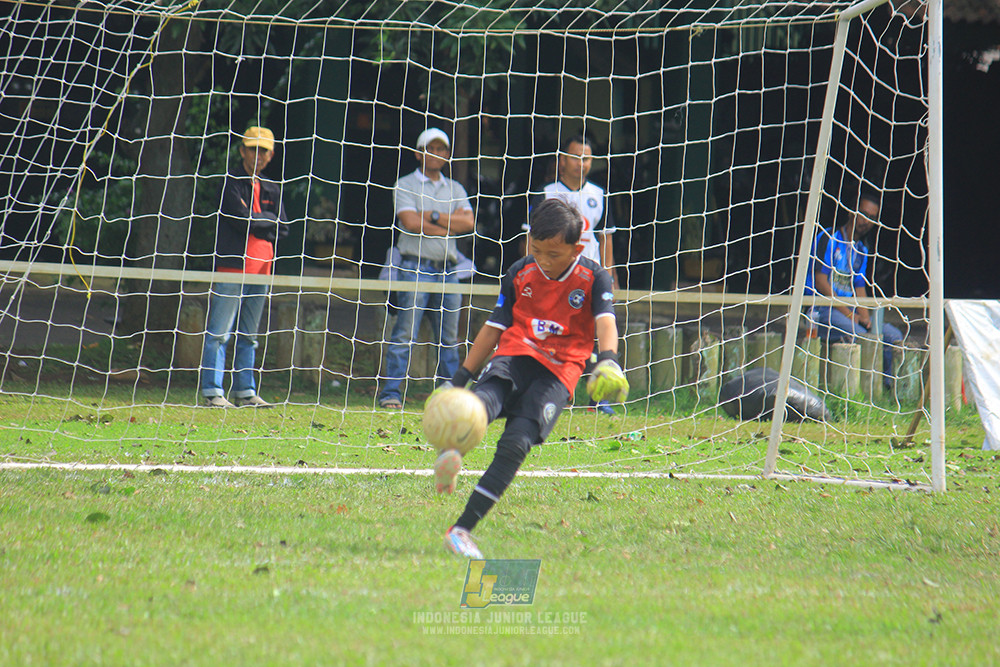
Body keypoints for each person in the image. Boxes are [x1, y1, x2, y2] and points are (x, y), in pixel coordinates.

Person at [434, 198, 629, 558]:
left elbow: (606, 322)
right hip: (515, 355)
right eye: (536, 250)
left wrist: (608, 362)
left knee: (516, 444)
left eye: (553, 254)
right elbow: (493, 328)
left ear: (576, 248)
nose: (542, 260)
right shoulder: (520, 271)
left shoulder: (594, 277)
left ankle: (461, 530)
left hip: (559, 372)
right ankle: (453, 451)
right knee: (480, 404)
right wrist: (459, 379)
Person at [377, 128, 476, 410]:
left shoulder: (455, 188)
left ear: (447, 154)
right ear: (418, 153)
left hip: (449, 270)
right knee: (404, 334)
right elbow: (410, 222)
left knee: (448, 338)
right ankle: (391, 393)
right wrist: (448, 224)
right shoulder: (405, 184)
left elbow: (468, 223)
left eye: (441, 149)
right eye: (430, 149)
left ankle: (449, 397)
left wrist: (430, 216)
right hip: (414, 267)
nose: (436, 154)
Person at [524, 135, 620, 414]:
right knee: (553, 333)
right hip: (553, 277)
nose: (581, 163)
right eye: (575, 157)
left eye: (586, 158)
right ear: (562, 160)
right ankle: (556, 392)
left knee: (595, 333)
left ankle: (599, 398)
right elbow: (530, 238)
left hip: (590, 277)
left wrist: (610, 276)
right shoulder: (546, 193)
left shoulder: (599, 195)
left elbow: (606, 238)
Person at [200, 126, 287, 408]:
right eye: (252, 149)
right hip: (233, 268)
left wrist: (256, 219)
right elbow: (238, 219)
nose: (257, 155)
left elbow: (283, 227)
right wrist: (266, 219)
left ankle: (245, 391)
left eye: (263, 151)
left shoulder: (272, 187)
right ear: (242, 151)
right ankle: (213, 391)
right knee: (219, 333)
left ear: (271, 155)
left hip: (262, 270)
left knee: (249, 336)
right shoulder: (230, 183)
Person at [805, 191, 903, 386]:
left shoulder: (862, 250)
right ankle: (864, 387)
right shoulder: (828, 238)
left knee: (893, 336)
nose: (866, 221)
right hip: (821, 310)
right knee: (862, 335)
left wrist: (865, 317)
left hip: (848, 311)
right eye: (863, 214)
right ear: (852, 211)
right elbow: (821, 282)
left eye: (872, 218)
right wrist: (852, 316)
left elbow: (859, 286)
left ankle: (887, 387)